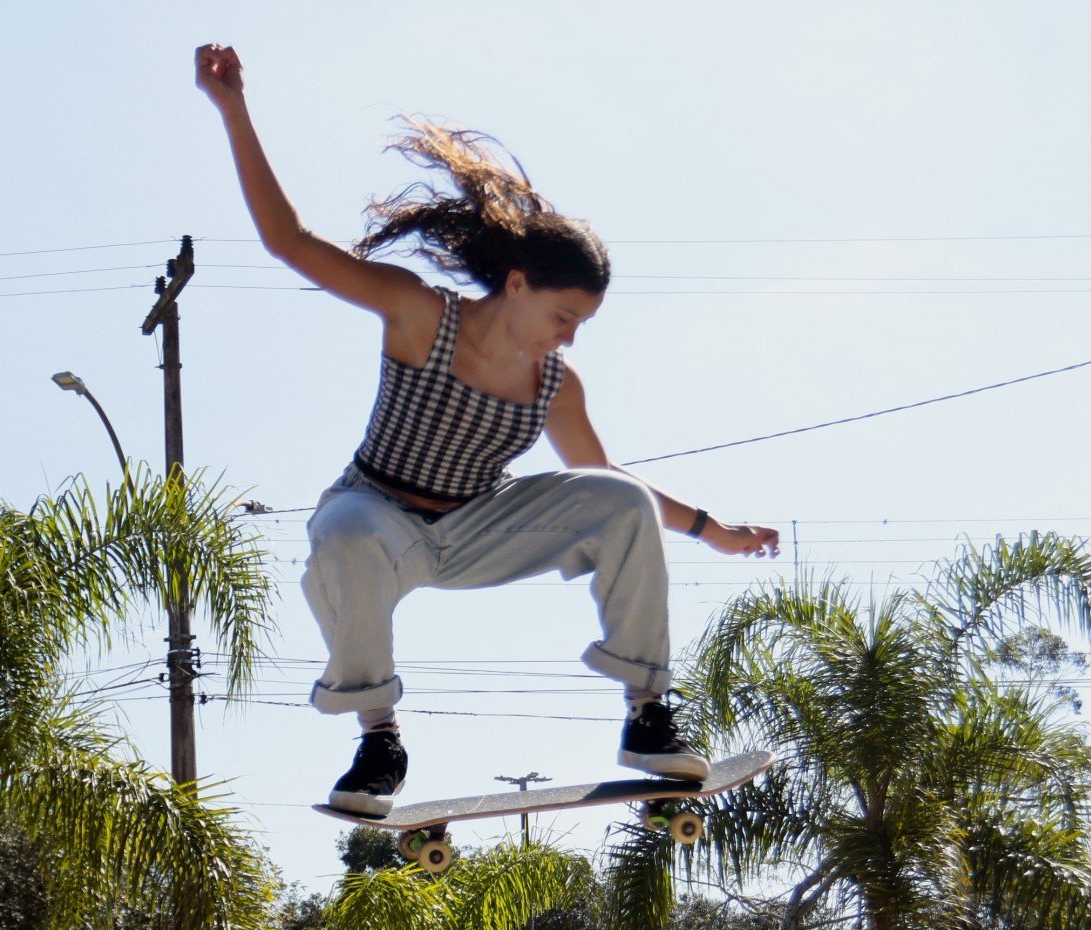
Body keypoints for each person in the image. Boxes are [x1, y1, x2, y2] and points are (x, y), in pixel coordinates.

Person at [196, 43, 781, 816]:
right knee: (342, 532)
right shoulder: (418, 314)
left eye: (582, 325)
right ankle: (378, 738)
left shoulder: (554, 387)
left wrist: (710, 529)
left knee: (618, 501)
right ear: (517, 285)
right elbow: (290, 242)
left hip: (479, 526)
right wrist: (233, 108)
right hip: (380, 514)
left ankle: (647, 714)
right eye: (562, 316)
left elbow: (611, 485)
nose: (568, 337)